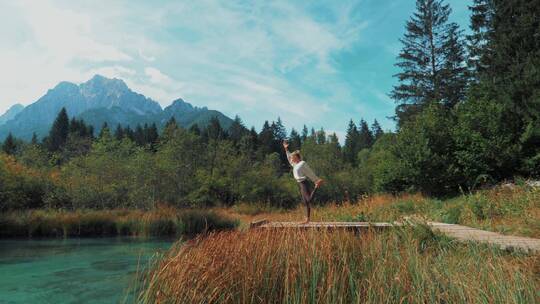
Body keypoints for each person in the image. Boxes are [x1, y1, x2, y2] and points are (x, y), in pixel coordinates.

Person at [283, 140, 323, 223]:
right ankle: (307, 219)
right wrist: (286, 149)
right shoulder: (295, 164)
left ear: (296, 157)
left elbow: (309, 172)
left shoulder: (302, 163)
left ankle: (316, 187)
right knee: (305, 202)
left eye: (293, 157)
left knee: (309, 200)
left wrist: (316, 179)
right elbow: (288, 158)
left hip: (304, 183)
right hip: (300, 184)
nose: (291, 158)